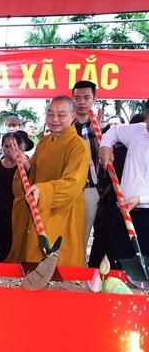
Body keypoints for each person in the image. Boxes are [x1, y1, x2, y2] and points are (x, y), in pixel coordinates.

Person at [6, 96, 90, 267]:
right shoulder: (44, 142)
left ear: (73, 116)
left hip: (62, 212)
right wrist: (27, 164)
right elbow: (36, 172)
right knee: (33, 257)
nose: (55, 119)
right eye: (50, 114)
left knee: (59, 264)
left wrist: (42, 190)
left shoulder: (78, 146)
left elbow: (72, 183)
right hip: (39, 207)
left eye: (61, 114)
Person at [99, 120, 149, 270]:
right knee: (119, 260)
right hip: (124, 210)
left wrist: (141, 199)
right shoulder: (137, 131)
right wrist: (105, 147)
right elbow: (113, 132)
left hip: (146, 213)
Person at [0, 131, 33, 261]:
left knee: (12, 244)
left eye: (13, 146)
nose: (9, 150)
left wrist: (25, 163)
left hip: (15, 213)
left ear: (20, 147)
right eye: (6, 146)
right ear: (2, 147)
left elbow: (33, 178)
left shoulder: (25, 165)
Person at [72, 80, 101, 261]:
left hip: (98, 190)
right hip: (75, 190)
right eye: (77, 98)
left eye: (86, 97)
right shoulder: (66, 129)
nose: (82, 102)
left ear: (94, 99)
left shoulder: (104, 129)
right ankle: (77, 276)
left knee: (101, 238)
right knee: (77, 239)